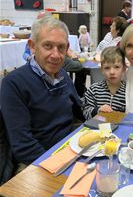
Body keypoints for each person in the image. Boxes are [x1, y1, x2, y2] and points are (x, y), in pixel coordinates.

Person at [0, 16, 83, 165]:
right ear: (32, 46)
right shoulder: (13, 84)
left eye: (61, 47)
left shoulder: (63, 75)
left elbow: (80, 111)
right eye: (48, 46)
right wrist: (58, 165)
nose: (56, 55)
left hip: (70, 148)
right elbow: (23, 146)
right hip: (38, 162)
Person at [82, 46, 126, 120]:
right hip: (97, 129)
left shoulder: (128, 92)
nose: (112, 72)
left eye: (117, 67)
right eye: (107, 68)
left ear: (124, 68)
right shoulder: (94, 90)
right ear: (102, 70)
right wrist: (98, 110)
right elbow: (85, 111)